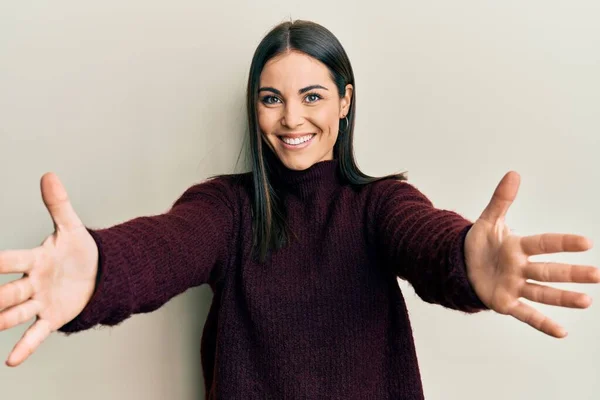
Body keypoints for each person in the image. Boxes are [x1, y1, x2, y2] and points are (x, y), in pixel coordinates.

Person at [0, 19, 598, 399]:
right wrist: (100, 268)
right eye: (271, 99)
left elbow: (425, 238)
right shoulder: (228, 208)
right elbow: (167, 246)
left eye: (312, 96)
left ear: (345, 102)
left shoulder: (379, 204)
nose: (291, 119)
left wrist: (466, 260)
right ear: (255, 110)